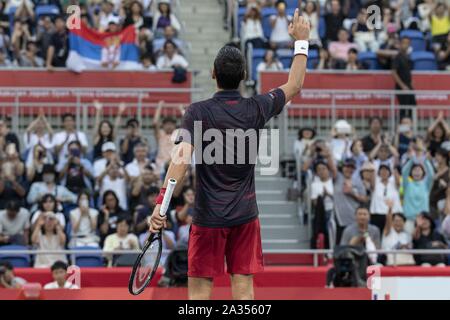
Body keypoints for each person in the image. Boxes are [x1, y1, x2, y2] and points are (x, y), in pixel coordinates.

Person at [148, 8, 310, 300]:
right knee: (244, 289)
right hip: (245, 215)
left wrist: (161, 206)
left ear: (213, 73)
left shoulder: (197, 112)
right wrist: (302, 41)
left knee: (198, 293)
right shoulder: (257, 107)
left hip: (207, 216)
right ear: (245, 76)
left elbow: (180, 160)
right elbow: (295, 84)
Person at [333, 159, 369, 244]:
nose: (349, 169)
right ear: (343, 168)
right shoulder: (337, 178)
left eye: (351, 168)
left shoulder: (358, 181)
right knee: (341, 244)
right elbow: (332, 166)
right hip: (339, 219)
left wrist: (352, 193)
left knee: (357, 243)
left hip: (355, 219)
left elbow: (365, 199)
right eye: (347, 167)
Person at [402, 155, 435, 231]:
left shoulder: (426, 185)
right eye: (414, 170)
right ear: (411, 172)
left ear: (423, 173)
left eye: (419, 170)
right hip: (410, 220)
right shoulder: (407, 184)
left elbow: (431, 175)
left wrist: (425, 160)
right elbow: (404, 172)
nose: (417, 172)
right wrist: (412, 160)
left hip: (423, 220)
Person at [369, 164, 402, 233]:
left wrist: (394, 169)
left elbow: (398, 181)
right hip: (377, 214)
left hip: (393, 213)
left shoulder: (393, 183)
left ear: (389, 173)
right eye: (382, 171)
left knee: (392, 234)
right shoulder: (376, 183)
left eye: (386, 171)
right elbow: (371, 184)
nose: (384, 172)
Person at [382, 199, 414, 266]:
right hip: (391, 262)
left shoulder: (407, 235)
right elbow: (388, 220)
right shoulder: (388, 231)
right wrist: (390, 208)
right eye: (396, 221)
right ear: (392, 222)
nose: (398, 223)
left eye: (400, 221)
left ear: (404, 223)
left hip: (406, 262)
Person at [392, 37, 416, 119]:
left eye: (407, 43)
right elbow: (393, 72)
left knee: (412, 105)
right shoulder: (397, 57)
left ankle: (411, 127)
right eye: (403, 43)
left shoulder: (408, 57)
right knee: (403, 108)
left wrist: (411, 82)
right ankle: (401, 129)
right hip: (401, 87)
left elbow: (408, 72)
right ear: (400, 44)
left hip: (408, 86)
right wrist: (402, 86)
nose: (405, 45)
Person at [153, 101, 180, 173]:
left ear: (175, 125)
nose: (169, 126)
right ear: (163, 126)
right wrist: (159, 107)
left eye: (171, 124)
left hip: (175, 164)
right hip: (161, 165)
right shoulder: (160, 134)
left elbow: (188, 124)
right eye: (167, 124)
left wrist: (181, 110)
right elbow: (155, 123)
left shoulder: (177, 133)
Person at [430, 148, 450, 219]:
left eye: (438, 155)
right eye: (436, 155)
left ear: (444, 158)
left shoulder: (448, 171)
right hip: (430, 201)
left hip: (441, 203)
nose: (436, 157)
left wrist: (446, 185)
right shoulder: (433, 169)